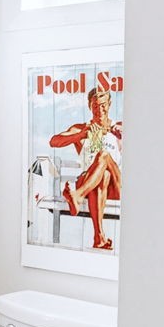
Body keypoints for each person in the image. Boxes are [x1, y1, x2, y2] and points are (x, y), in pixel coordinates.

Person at [48, 86, 122, 250]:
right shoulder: (82, 128)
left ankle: (78, 195)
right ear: (89, 106)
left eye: (103, 105)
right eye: (95, 105)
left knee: (103, 155)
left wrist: (124, 132)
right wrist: (82, 135)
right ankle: (99, 237)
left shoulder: (118, 127)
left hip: (116, 187)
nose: (99, 109)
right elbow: (54, 141)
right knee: (101, 176)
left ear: (109, 105)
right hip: (91, 182)